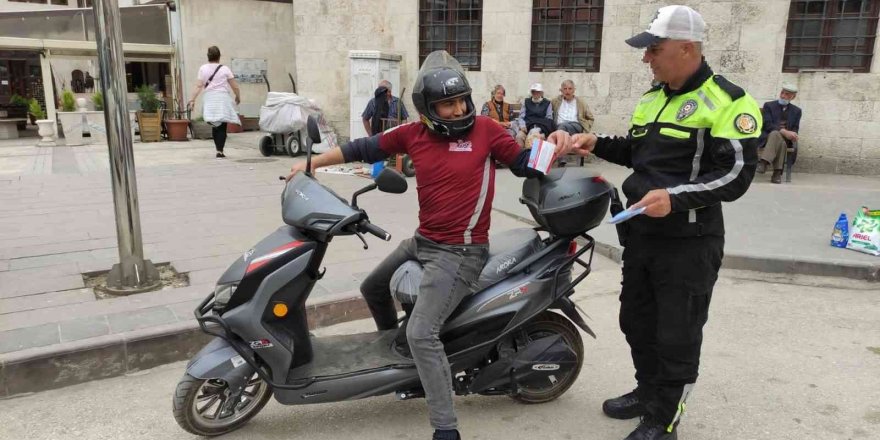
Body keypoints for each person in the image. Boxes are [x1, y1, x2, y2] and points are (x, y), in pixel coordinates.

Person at [287, 50, 573, 440]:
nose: (458, 110)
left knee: (423, 332)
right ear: (427, 110)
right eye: (447, 104)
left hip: (462, 253)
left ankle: (445, 426)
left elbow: (525, 162)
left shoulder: (487, 131)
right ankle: (401, 357)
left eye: (461, 101)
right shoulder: (413, 134)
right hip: (424, 241)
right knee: (372, 287)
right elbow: (363, 148)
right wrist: (311, 166)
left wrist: (557, 144)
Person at [570, 5, 760, 439]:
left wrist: (672, 199)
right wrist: (595, 142)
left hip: (689, 242)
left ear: (686, 48)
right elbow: (639, 154)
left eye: (654, 49)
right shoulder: (652, 97)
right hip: (643, 234)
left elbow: (735, 175)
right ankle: (648, 391)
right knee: (636, 320)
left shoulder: (729, 102)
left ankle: (665, 418)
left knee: (678, 333)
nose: (646, 58)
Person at [188, 46, 241, 158]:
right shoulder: (225, 69)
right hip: (222, 98)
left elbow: (198, 86)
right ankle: (220, 151)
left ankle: (218, 149)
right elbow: (235, 86)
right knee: (222, 126)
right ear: (219, 56)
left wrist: (192, 99)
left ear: (208, 56)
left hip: (210, 98)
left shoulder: (203, 68)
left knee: (214, 125)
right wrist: (238, 96)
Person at [757, 84, 801, 183]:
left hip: (786, 140)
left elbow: (795, 128)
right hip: (768, 137)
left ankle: (764, 162)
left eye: (787, 94)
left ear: (793, 97)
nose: (783, 96)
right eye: (782, 93)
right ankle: (777, 173)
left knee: (781, 141)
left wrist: (794, 134)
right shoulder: (769, 106)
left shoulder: (797, 111)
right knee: (775, 134)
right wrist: (784, 131)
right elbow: (767, 124)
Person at [514, 83, 554, 147]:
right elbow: (521, 117)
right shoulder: (526, 102)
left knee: (535, 138)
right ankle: (520, 155)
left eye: (537, 92)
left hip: (541, 129)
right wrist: (522, 126)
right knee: (519, 136)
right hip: (527, 127)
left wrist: (542, 130)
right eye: (533, 91)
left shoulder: (547, 103)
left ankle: (532, 156)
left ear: (541, 93)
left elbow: (549, 119)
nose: (535, 93)